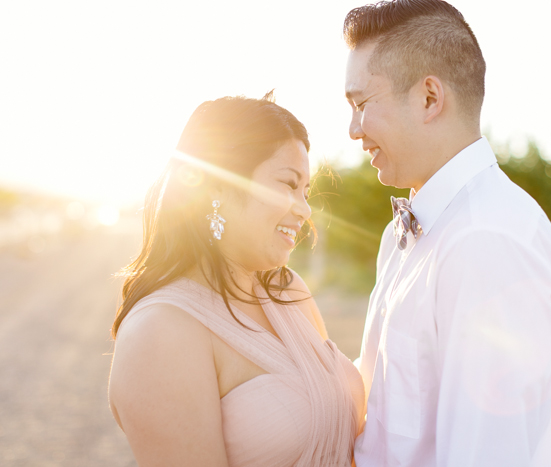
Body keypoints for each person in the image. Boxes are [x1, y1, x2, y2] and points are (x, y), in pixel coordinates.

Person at [343, 1, 551, 465]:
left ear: (429, 98)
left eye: (360, 104)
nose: (353, 130)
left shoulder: (486, 241)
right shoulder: (417, 230)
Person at [108, 93, 365, 466]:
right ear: (216, 188)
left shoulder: (288, 290)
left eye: (305, 191)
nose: (304, 209)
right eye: (287, 184)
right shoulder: (161, 331)